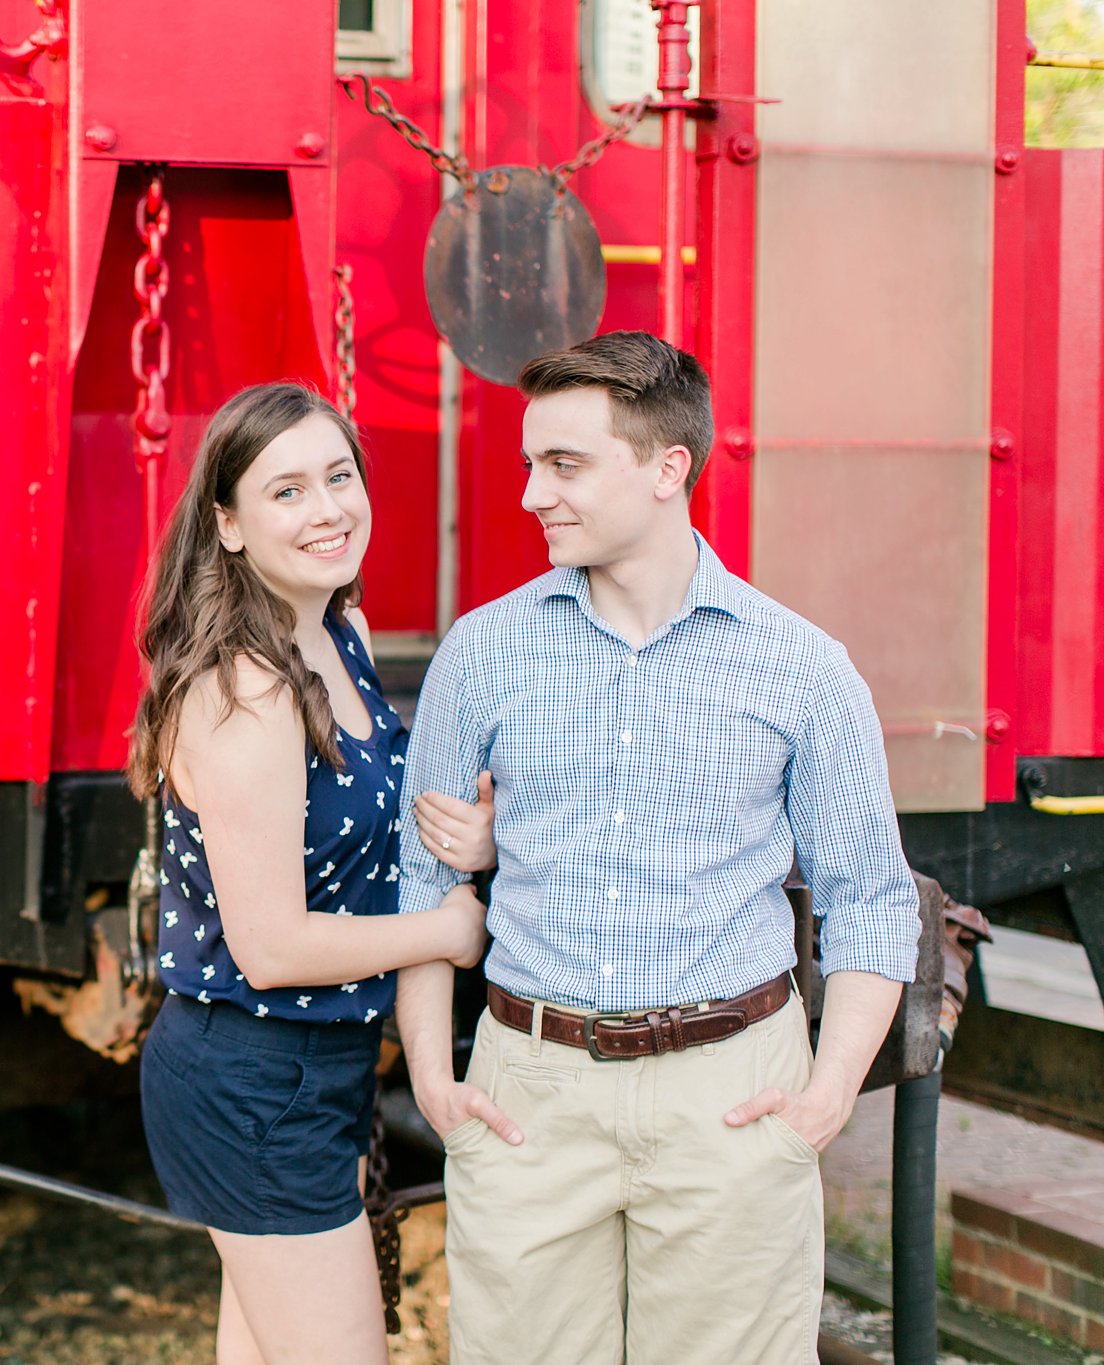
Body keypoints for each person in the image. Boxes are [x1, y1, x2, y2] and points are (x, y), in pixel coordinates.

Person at [395, 330, 923, 1365]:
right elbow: (426, 874)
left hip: (729, 1095)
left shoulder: (800, 669)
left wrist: (821, 1098)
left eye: (564, 465)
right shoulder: (481, 653)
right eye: (527, 464)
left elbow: (870, 896)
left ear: (664, 468)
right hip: (525, 1097)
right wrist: (428, 1075)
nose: (529, 495)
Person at [129, 381, 494, 1365]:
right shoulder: (245, 691)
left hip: (311, 1072)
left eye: (338, 477)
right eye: (286, 490)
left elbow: (376, 827)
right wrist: (447, 932)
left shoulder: (338, 635)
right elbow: (272, 945)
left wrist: (469, 836)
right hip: (250, 1079)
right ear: (230, 524)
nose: (327, 508)